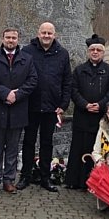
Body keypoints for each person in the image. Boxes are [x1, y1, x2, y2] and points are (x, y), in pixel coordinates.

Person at [18, 22, 73, 192]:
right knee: (28, 142)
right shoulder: (27, 51)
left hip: (52, 107)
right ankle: (25, 176)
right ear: (38, 34)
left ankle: (45, 177)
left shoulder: (62, 53)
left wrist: (63, 104)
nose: (46, 36)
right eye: (44, 33)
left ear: (54, 35)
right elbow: (21, 77)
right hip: (31, 105)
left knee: (47, 143)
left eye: (49, 33)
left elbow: (67, 81)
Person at [0, 28, 38, 194]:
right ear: (3, 38)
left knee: (13, 149)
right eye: (8, 37)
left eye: (14, 38)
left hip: (18, 110)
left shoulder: (27, 59)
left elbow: (32, 80)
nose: (11, 40)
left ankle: (9, 180)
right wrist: (5, 93)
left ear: (18, 39)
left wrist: (17, 95)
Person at [65, 34, 109, 190]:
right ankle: (74, 181)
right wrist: (85, 104)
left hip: (100, 116)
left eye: (98, 50)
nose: (95, 52)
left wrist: (101, 105)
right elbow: (73, 90)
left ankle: (93, 181)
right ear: (88, 52)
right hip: (82, 115)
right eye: (92, 50)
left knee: (97, 148)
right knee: (78, 147)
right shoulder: (79, 70)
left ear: (103, 53)